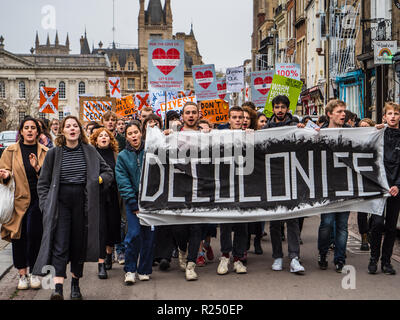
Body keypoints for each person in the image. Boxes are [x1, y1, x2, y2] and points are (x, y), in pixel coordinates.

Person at [33, 115, 113, 300]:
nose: (72, 129)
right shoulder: (54, 153)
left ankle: (75, 286)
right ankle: (58, 288)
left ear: (80, 130)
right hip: (60, 203)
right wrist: (46, 206)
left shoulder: (90, 151)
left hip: (82, 203)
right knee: (60, 245)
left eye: (75, 126)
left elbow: (107, 172)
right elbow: (43, 183)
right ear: (62, 130)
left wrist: (97, 181)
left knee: (78, 245)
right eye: (68, 126)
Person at [0, 117, 48, 290]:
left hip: (38, 201)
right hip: (17, 201)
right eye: (26, 127)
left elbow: (49, 178)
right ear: (21, 131)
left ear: (38, 131)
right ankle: (22, 274)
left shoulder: (45, 151)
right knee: (18, 237)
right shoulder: (10, 151)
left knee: (35, 235)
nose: (29, 130)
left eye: (33, 128)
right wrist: (5, 176)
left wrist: (37, 169)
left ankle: (35, 272)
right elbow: (3, 172)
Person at [262, 95, 305, 275]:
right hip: (273, 179)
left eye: (283, 107)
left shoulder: (297, 126)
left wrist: (305, 130)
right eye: (276, 107)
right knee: (274, 222)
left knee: (292, 220)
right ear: (273, 109)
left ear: (288, 109)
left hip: (292, 177)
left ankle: (294, 257)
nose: (279, 110)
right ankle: (277, 257)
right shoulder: (265, 129)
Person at [115, 121, 155, 284]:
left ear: (141, 133)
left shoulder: (152, 151)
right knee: (133, 234)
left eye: (136, 132)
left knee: (149, 237)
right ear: (127, 137)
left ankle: (144, 269)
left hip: (152, 201)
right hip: (133, 202)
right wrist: (133, 203)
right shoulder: (123, 156)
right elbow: (122, 180)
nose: (133, 136)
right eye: (130, 133)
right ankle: (130, 269)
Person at [317, 100, 352, 273]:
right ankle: (322, 253)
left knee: (343, 225)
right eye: (339, 111)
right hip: (326, 186)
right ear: (329, 114)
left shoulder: (353, 133)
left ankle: (340, 259)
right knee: (327, 223)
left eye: (344, 111)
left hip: (345, 185)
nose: (343, 114)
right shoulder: (319, 133)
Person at [368, 102, 400, 275]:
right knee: (377, 224)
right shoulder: (378, 134)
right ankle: (373, 258)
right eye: (390, 113)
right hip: (379, 187)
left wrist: (398, 185)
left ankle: (386, 262)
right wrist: (374, 130)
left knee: (391, 227)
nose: (393, 116)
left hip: (396, 189)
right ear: (384, 117)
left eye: (396, 113)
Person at [217, 106, 248, 276]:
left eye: (240, 117)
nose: (237, 120)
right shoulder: (220, 136)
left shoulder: (249, 136)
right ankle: (224, 256)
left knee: (242, 224)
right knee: (226, 224)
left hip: (243, 186)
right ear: (229, 119)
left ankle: (238, 259)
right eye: (234, 117)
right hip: (225, 185)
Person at [90, 128, 121, 279]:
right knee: (100, 229)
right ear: (95, 140)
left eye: (106, 136)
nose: (104, 138)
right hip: (97, 198)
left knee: (112, 227)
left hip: (114, 197)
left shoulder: (116, 156)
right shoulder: (91, 155)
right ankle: (101, 263)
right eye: (100, 136)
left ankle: (109, 254)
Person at [356, 118, 376, 251]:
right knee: (362, 211)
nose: (364, 128)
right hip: (360, 180)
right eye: (361, 126)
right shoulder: (356, 142)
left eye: (366, 126)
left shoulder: (376, 141)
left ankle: (371, 231)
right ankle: (364, 236)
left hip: (374, 180)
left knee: (375, 210)